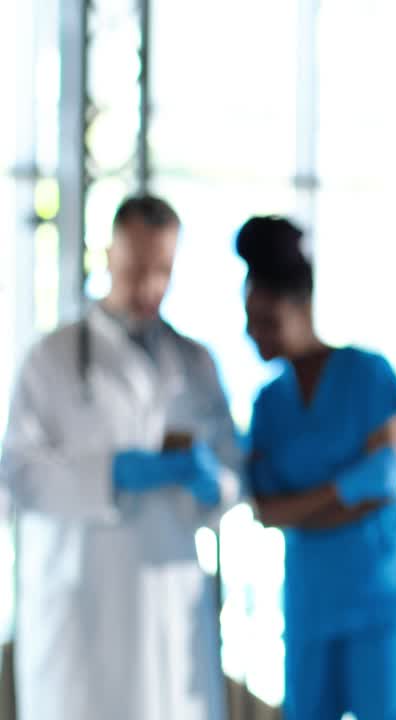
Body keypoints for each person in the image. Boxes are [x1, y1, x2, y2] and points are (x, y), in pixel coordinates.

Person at [0, 195, 241, 720]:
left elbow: (233, 475)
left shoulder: (195, 364)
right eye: (136, 270)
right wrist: (110, 474)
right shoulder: (52, 358)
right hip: (84, 603)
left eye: (163, 271)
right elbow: (16, 472)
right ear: (108, 256)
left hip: (169, 600)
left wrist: (211, 482)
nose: (149, 287)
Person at [238, 216, 396, 720]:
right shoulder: (268, 404)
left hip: (379, 597)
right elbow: (265, 509)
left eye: (265, 319)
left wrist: (303, 506)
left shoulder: (367, 372)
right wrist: (346, 493)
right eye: (248, 319)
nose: (252, 333)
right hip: (309, 603)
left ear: (301, 308)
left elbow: (384, 476)